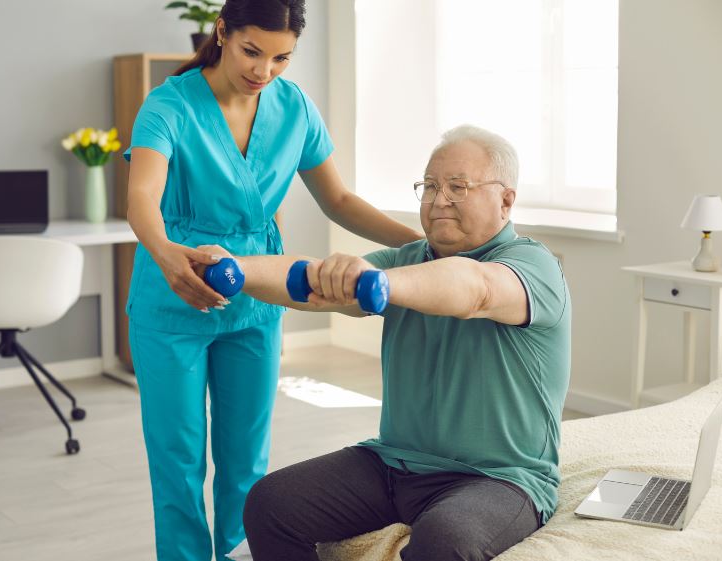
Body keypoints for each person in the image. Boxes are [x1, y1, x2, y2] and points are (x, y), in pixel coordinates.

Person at [123, 1, 423, 559]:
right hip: (174, 300)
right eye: (251, 51)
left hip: (259, 301)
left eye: (281, 57)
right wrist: (166, 256)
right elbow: (142, 195)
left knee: (246, 460)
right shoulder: (170, 104)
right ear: (223, 32)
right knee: (178, 461)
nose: (264, 71)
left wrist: (420, 249)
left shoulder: (294, 108)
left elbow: (338, 200)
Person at [202, 124, 571, 561]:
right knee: (270, 503)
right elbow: (309, 283)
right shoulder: (408, 260)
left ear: (506, 200)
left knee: (445, 538)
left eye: (458, 186)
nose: (439, 200)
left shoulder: (532, 265)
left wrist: (376, 282)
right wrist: (237, 268)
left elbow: (474, 289)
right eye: (429, 186)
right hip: (393, 463)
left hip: (499, 478)